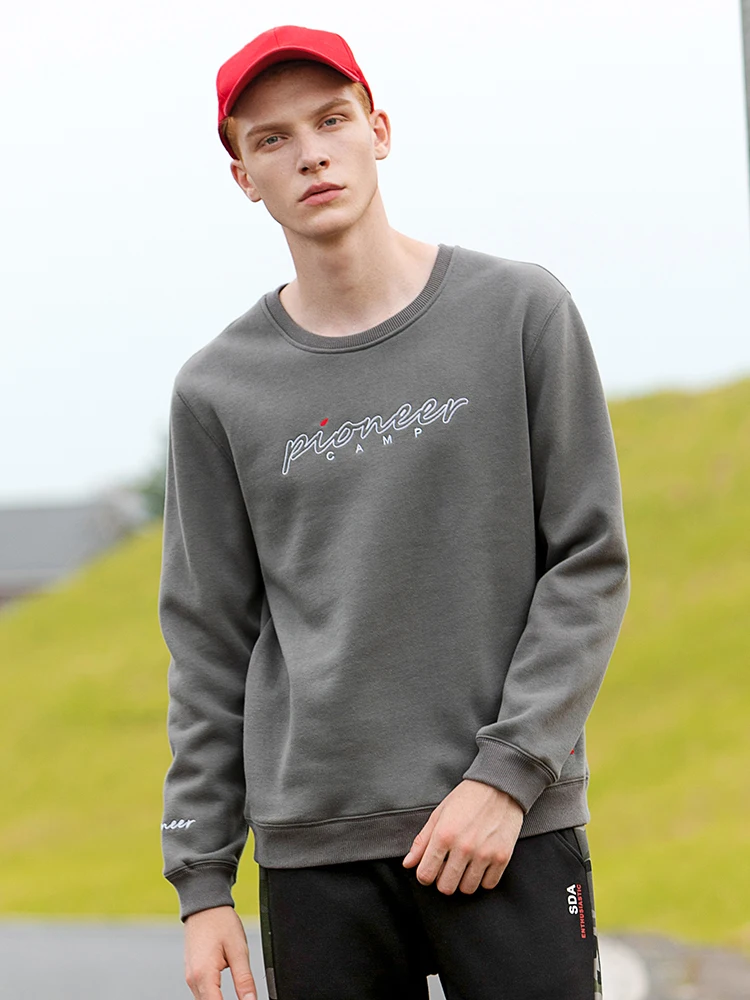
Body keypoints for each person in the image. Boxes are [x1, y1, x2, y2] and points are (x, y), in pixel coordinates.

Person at [158, 23, 630, 1000]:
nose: (311, 154)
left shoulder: (521, 312)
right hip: (317, 857)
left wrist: (508, 775)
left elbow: (587, 561)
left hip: (507, 829)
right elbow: (209, 643)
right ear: (244, 176)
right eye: (273, 138)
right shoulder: (217, 391)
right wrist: (203, 884)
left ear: (378, 130)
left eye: (331, 120)